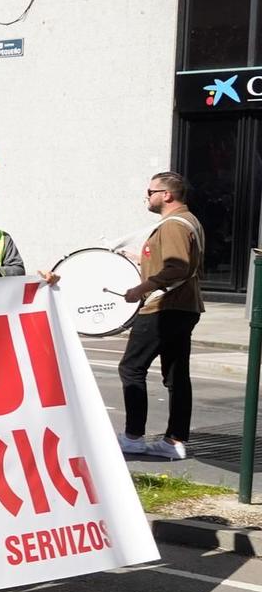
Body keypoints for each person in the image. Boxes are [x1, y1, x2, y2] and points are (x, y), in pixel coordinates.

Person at [119, 171, 205, 460]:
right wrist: (140, 257)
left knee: (131, 368)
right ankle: (174, 441)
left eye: (151, 191)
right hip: (184, 306)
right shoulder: (188, 220)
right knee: (176, 376)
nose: (148, 196)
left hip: (164, 307)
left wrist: (140, 288)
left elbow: (177, 267)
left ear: (166, 195)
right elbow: (176, 261)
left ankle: (133, 437)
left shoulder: (174, 225)